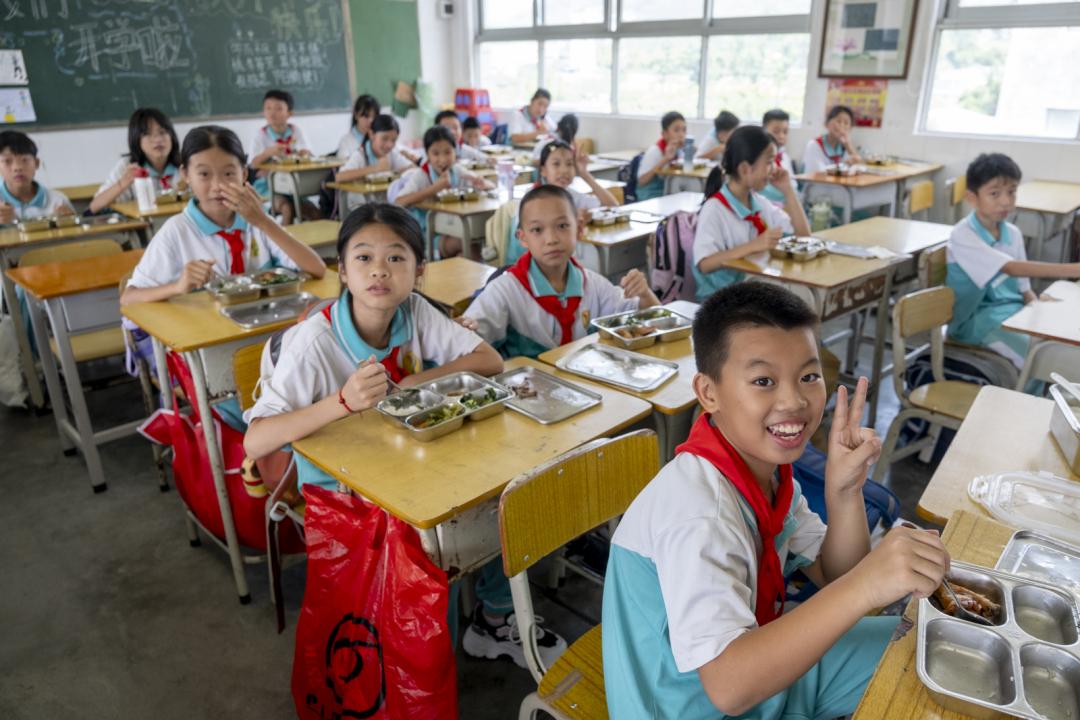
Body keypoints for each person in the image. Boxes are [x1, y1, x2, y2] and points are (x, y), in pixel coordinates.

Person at [602, 281, 951, 719]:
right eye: (763, 381)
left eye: (809, 377)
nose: (794, 400)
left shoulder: (764, 474)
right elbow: (728, 688)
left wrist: (844, 492)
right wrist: (866, 585)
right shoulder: (700, 512)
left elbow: (835, 575)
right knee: (916, 670)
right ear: (708, 393)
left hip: (757, 664)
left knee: (931, 652)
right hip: (693, 706)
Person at [242, 203, 565, 668]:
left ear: (418, 271)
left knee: (507, 489)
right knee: (436, 530)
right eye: (363, 258)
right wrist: (342, 402)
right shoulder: (315, 342)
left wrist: (417, 380)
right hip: (339, 485)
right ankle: (415, 660)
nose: (379, 270)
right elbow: (256, 441)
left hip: (406, 458)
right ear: (342, 271)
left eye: (396, 257)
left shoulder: (413, 311)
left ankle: (492, 618)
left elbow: (489, 359)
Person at [121, 125, 325, 305]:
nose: (218, 185)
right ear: (186, 175)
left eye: (228, 174)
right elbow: (129, 297)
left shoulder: (257, 221)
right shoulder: (177, 231)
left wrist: (263, 222)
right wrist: (177, 287)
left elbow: (317, 269)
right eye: (204, 174)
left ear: (244, 174)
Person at [466, 184, 658, 359]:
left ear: (579, 229)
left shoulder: (593, 285)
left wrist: (645, 294)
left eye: (562, 226)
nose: (551, 239)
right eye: (537, 230)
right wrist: (462, 329)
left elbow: (651, 322)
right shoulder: (505, 291)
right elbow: (466, 341)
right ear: (522, 238)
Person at [947, 152, 1080, 369]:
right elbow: (1011, 268)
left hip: (1013, 314)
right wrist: (1075, 270)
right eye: (995, 193)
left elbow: (1024, 288)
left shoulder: (1013, 233)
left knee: (1054, 346)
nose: (1006, 201)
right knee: (1040, 360)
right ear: (972, 198)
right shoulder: (963, 234)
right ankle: (1029, 391)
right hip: (976, 323)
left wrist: (1037, 310)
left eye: (1012, 192)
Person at [693, 126, 810, 301]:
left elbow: (804, 237)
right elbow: (705, 264)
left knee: (802, 295)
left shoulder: (759, 203)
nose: (774, 168)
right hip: (722, 300)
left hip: (753, 290)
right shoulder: (714, 209)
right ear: (745, 169)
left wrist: (788, 191)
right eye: (769, 162)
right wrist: (753, 245)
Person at [503, 140, 619, 265]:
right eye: (556, 164)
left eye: (569, 164)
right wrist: (572, 218)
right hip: (528, 264)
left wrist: (584, 174)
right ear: (543, 170)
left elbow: (613, 206)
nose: (564, 170)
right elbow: (525, 241)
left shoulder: (570, 195)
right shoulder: (531, 200)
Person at [389, 125, 492, 259]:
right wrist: (434, 189)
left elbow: (487, 184)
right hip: (430, 236)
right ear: (427, 155)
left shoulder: (456, 170)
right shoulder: (422, 175)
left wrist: (483, 184)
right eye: (436, 154)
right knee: (468, 243)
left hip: (454, 227)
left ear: (455, 151)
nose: (442, 159)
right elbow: (398, 202)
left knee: (471, 250)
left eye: (447, 152)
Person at [90, 108, 183, 213]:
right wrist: (123, 183)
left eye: (162, 132)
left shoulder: (185, 165)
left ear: (172, 136)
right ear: (136, 140)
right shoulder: (128, 165)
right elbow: (93, 208)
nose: (157, 140)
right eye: (147, 134)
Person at [249, 89, 313, 224]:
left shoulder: (295, 131)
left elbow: (308, 153)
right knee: (286, 209)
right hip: (268, 186)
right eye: (268, 108)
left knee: (312, 211)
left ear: (289, 113)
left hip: (293, 184)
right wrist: (268, 152)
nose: (272, 113)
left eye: (278, 108)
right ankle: (282, 238)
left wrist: (303, 153)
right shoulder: (261, 134)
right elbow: (253, 164)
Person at [336, 114, 416, 212]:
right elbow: (339, 177)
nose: (389, 145)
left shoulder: (392, 154)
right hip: (362, 209)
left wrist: (395, 173)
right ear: (371, 134)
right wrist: (376, 168)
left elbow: (412, 168)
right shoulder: (360, 155)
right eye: (384, 139)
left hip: (385, 208)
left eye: (394, 140)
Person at [0, 130, 73, 223]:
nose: (17, 167)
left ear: (36, 163)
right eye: (7, 161)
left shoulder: (57, 201)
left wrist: (68, 223)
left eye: (25, 160)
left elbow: (75, 230)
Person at [636, 111, 687, 201]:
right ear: (664, 134)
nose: (681, 134)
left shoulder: (680, 151)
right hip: (650, 195)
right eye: (676, 130)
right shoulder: (655, 151)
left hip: (667, 192)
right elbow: (642, 181)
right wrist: (665, 159)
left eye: (684, 130)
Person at [802, 105, 861, 173]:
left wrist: (849, 147)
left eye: (846, 123)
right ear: (827, 123)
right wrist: (843, 166)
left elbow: (857, 169)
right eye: (838, 121)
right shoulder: (814, 145)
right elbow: (817, 173)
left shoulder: (844, 147)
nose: (842, 126)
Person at [760, 108, 798, 206]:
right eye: (776, 131)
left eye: (785, 132)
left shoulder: (784, 156)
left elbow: (793, 184)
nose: (781, 136)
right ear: (763, 130)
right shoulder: (759, 157)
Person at [336, 94, 379, 160]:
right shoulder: (346, 141)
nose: (371, 120)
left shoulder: (381, 137)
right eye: (366, 116)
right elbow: (346, 164)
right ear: (356, 115)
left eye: (374, 116)